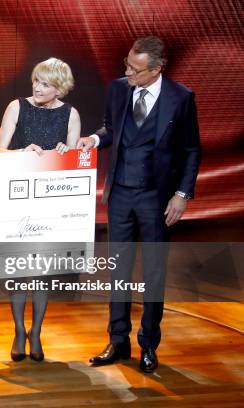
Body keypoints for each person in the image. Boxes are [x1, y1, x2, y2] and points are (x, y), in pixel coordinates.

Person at [77, 36, 201, 373]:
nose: (127, 73)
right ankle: (118, 341)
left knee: (154, 271)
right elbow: (112, 130)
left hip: (156, 198)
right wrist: (95, 139)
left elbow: (191, 150)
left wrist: (182, 194)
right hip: (120, 195)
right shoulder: (119, 89)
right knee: (118, 269)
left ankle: (149, 344)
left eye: (135, 69)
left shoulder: (181, 98)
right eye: (126, 66)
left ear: (157, 69)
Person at [0, 58, 81, 362]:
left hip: (51, 204)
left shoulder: (70, 114)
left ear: (60, 87)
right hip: (17, 200)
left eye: (45, 83)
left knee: (42, 274)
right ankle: (18, 330)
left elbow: (74, 162)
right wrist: (21, 151)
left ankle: (37, 331)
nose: (38, 87)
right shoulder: (16, 106)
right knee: (18, 272)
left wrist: (66, 154)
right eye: (36, 81)